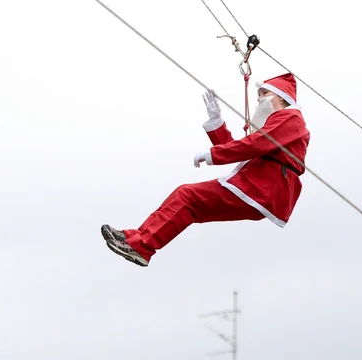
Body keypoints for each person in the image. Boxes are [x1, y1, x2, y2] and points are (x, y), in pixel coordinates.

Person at [101, 73, 311, 267]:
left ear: (282, 98)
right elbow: (246, 148)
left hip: (265, 188)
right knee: (188, 203)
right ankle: (137, 240)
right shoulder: (280, 125)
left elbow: (252, 145)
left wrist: (212, 155)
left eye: (264, 93)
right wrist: (217, 124)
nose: (258, 99)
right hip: (260, 188)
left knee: (186, 195)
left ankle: (141, 244)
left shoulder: (290, 118)